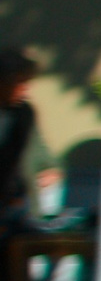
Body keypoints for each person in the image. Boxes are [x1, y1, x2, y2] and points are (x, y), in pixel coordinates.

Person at [0, 49, 60, 224]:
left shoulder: (24, 113)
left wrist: (50, 167)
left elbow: (36, 147)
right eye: (20, 83)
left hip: (16, 203)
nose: (25, 90)